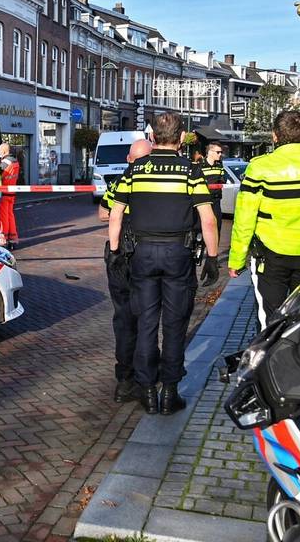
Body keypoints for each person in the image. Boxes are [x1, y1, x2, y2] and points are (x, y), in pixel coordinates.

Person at [108, 113, 220, 416]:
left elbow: (115, 214)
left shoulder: (134, 171)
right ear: (181, 137)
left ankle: (147, 391)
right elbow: (207, 218)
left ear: (153, 136)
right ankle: (170, 392)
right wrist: (212, 257)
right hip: (178, 254)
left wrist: (116, 251)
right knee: (174, 324)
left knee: (145, 323)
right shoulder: (191, 171)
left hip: (142, 254)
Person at [228, 110, 300, 327]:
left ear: (275, 135)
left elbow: (245, 219)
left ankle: (270, 357)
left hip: (271, 254)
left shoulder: (260, 167)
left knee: (271, 318)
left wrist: (236, 259)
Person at [98, 137, 153, 404]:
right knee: (148, 319)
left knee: (124, 319)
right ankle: (146, 380)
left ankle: (125, 380)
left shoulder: (120, 182)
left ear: (129, 159)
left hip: (120, 255)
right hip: (147, 254)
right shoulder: (157, 182)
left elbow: (103, 213)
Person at [0, 143, 21, 249]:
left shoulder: (5, 162)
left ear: (4, 151)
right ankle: (13, 237)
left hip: (4, 191)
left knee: (3, 216)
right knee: (10, 215)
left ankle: (4, 238)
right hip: (12, 192)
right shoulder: (15, 161)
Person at [198, 141, 227, 211]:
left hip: (216, 200)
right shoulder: (200, 165)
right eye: (218, 152)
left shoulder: (219, 165)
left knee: (217, 221)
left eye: (221, 152)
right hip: (204, 201)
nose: (220, 154)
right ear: (210, 152)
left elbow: (222, 180)